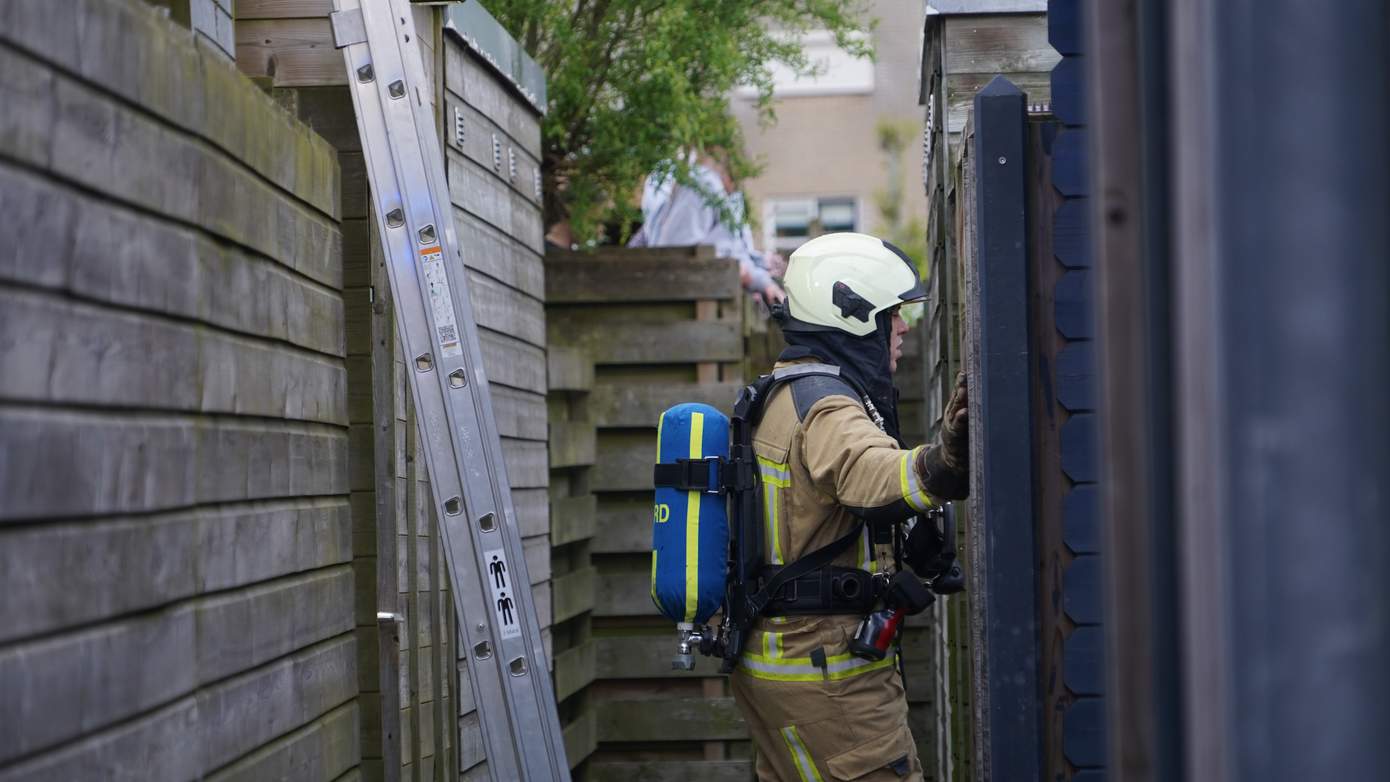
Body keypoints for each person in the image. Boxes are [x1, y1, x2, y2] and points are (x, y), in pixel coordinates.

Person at [730, 232, 969, 781]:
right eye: (892, 314)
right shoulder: (827, 406)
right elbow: (868, 474)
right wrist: (943, 461)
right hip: (828, 675)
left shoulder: (782, 392)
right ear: (855, 316)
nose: (904, 327)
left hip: (782, 665)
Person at [629, 154, 787, 306]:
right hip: (684, 295)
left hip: (683, 291)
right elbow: (678, 250)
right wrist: (749, 275)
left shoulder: (719, 196)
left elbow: (734, 251)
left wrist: (763, 282)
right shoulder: (704, 184)